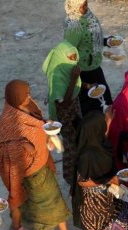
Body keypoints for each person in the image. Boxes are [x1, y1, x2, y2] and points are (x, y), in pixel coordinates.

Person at [0, 80, 78, 230]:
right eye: (25, 95)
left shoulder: (28, 106)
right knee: (52, 199)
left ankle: (16, 225)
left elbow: (37, 124)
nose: (29, 97)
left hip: (41, 161)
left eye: (28, 93)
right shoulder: (8, 120)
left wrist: (47, 132)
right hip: (30, 169)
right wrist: (21, 144)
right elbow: (1, 147)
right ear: (15, 97)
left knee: (27, 199)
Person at [74, 111, 128, 230]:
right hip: (93, 200)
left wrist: (109, 119)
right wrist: (106, 180)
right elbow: (82, 182)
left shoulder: (100, 142)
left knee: (114, 219)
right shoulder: (86, 155)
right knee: (95, 229)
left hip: (107, 195)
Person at [63, 0, 114, 116]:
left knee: (105, 102)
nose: (85, 8)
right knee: (92, 107)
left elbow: (91, 40)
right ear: (74, 7)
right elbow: (68, 51)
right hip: (83, 72)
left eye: (86, 4)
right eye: (82, 6)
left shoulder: (89, 17)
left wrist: (105, 41)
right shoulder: (74, 27)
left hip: (94, 67)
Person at [42, 40, 82, 186]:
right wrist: (73, 79)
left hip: (74, 115)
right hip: (66, 119)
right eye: (70, 57)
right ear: (60, 57)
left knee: (77, 143)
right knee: (71, 148)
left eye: (74, 56)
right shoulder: (57, 76)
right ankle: (72, 179)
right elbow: (64, 103)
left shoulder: (65, 70)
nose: (74, 60)